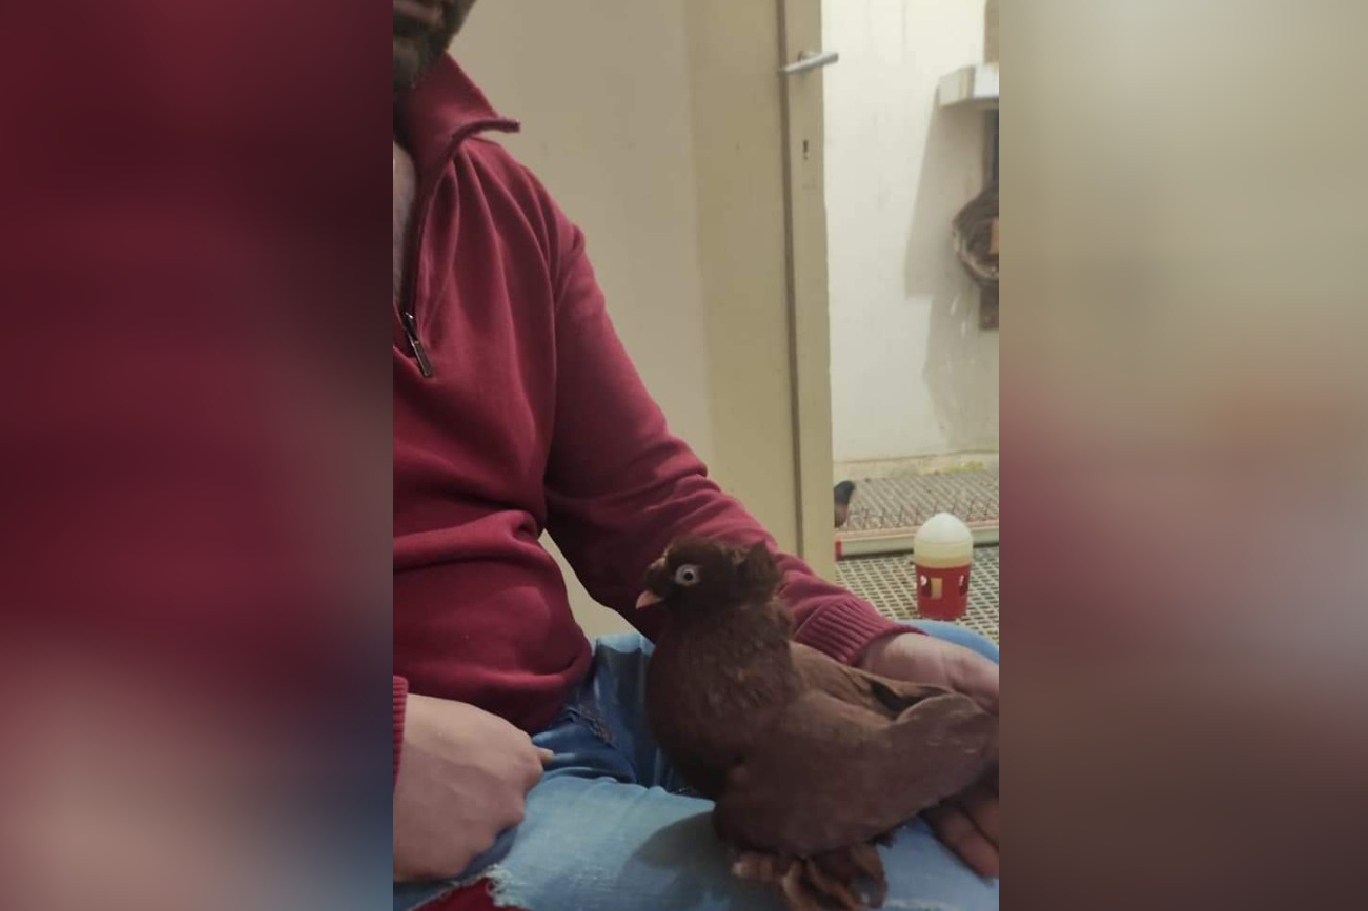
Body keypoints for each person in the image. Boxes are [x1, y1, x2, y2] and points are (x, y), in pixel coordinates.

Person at [391, 2, 1000, 909]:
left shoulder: (498, 201)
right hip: (418, 788)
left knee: (957, 667)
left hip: (582, 701)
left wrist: (866, 640)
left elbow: (645, 498)